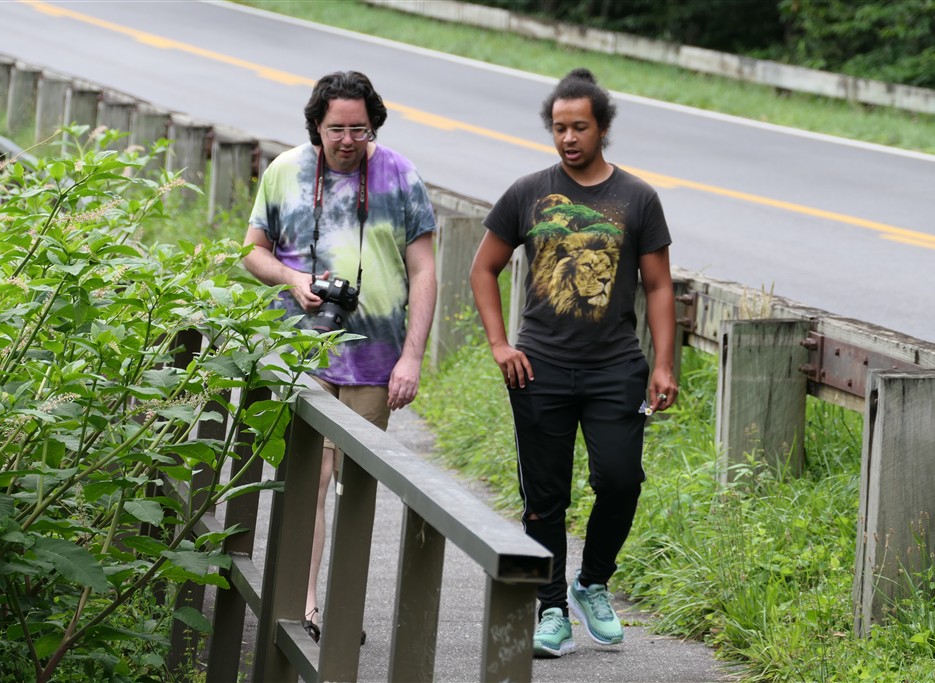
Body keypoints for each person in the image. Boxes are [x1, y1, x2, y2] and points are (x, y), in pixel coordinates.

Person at [469, 68, 678, 658]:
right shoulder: (527, 192)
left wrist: (664, 365)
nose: (568, 138)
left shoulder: (638, 197)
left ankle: (593, 582)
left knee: (621, 480)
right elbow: (483, 269)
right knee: (545, 496)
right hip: (540, 369)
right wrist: (500, 345)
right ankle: (552, 609)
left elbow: (659, 286)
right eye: (559, 128)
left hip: (616, 367)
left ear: (602, 128)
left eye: (579, 127)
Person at [242, 70, 437, 644]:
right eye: (336, 129)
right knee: (314, 478)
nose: (348, 140)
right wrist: (293, 279)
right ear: (316, 126)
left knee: (356, 488)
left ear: (373, 124)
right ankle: (307, 607)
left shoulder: (400, 176)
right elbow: (252, 253)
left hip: (375, 360)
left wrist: (412, 358)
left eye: (359, 128)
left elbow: (424, 271)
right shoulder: (285, 172)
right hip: (302, 354)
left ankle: (342, 605)